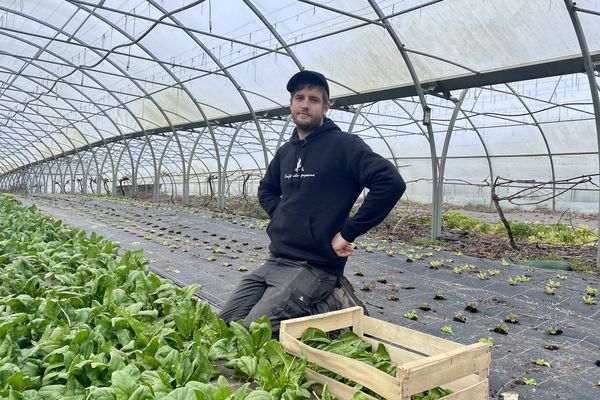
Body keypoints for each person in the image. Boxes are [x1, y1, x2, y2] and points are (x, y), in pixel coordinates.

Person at [218, 70, 406, 335]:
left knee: (254, 333)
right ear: (291, 104)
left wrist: (348, 232)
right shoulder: (287, 151)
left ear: (326, 107)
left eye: (314, 100)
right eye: (299, 98)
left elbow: (390, 183)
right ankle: (317, 307)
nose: (305, 104)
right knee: (225, 324)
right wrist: (281, 215)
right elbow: (266, 190)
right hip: (276, 260)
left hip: (315, 266)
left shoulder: (344, 146)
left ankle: (331, 305)